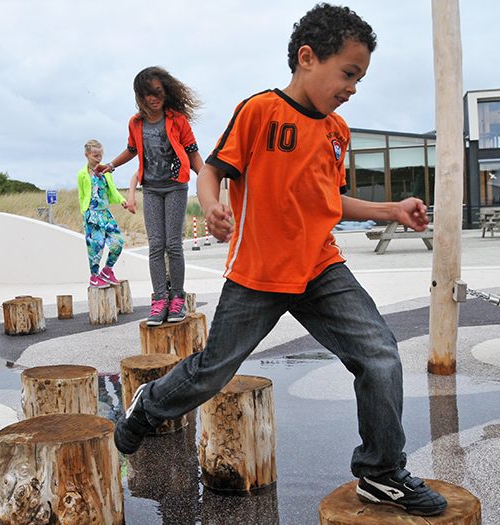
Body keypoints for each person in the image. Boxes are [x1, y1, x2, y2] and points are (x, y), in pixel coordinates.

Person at [113, 4, 448, 517]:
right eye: (349, 73)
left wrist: (390, 209)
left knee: (379, 355)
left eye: (360, 78)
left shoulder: (338, 131)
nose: (353, 87)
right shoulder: (261, 111)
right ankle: (147, 406)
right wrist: (212, 202)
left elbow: (328, 203)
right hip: (259, 273)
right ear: (308, 58)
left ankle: (381, 473)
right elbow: (213, 171)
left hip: (319, 268)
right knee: (212, 372)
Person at [97, 67, 204, 326]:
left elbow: (193, 155)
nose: (153, 99)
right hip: (152, 189)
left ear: (165, 92)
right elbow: (132, 149)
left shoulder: (177, 119)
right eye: (147, 94)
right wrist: (111, 165)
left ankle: (177, 296)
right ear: (140, 96)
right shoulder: (136, 123)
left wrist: (208, 182)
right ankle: (159, 300)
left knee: (173, 245)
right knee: (156, 245)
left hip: (176, 187)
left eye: (157, 92)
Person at [77, 139, 134, 289]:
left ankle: (107, 270)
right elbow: (82, 195)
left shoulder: (106, 171)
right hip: (91, 214)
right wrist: (85, 213)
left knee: (118, 242)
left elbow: (112, 191)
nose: (98, 158)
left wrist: (122, 200)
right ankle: (94, 276)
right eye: (95, 155)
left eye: (100, 155)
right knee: (96, 247)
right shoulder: (82, 174)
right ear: (87, 155)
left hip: (105, 213)